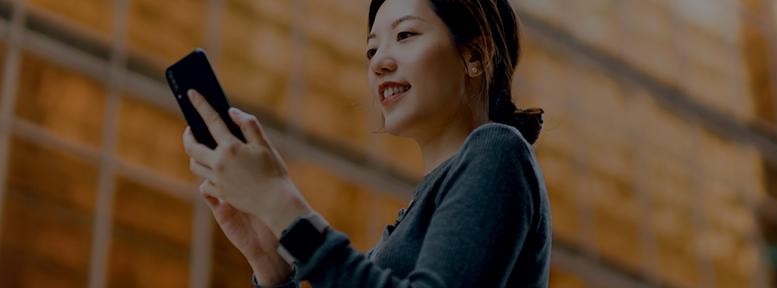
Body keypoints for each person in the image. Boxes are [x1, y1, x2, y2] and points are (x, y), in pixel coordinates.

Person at [180, 0, 549, 286]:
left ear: (475, 56)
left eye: (405, 35)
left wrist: (280, 201)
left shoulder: (498, 149)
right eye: (372, 50)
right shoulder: (401, 231)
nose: (378, 63)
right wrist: (271, 265)